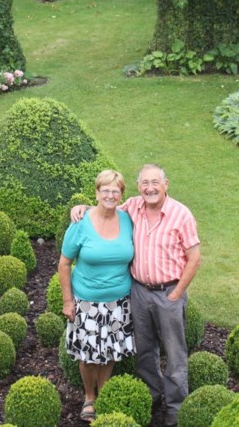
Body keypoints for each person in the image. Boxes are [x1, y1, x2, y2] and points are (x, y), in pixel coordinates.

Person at [71, 164, 201, 426]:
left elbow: (194, 258)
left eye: (155, 182)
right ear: (138, 186)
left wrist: (176, 294)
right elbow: (106, 205)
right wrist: (82, 208)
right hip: (139, 292)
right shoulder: (133, 207)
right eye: (144, 183)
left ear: (166, 184)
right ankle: (152, 397)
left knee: (174, 353)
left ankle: (175, 408)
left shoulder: (181, 215)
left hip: (168, 293)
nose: (150, 188)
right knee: (144, 351)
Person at [59, 169, 136, 423]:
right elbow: (64, 263)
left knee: (110, 352)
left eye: (116, 191)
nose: (110, 195)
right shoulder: (80, 223)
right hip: (87, 302)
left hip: (118, 302)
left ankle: (104, 393)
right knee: (88, 355)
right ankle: (89, 396)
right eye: (106, 190)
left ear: (121, 195)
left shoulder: (127, 219)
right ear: (97, 192)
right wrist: (68, 302)